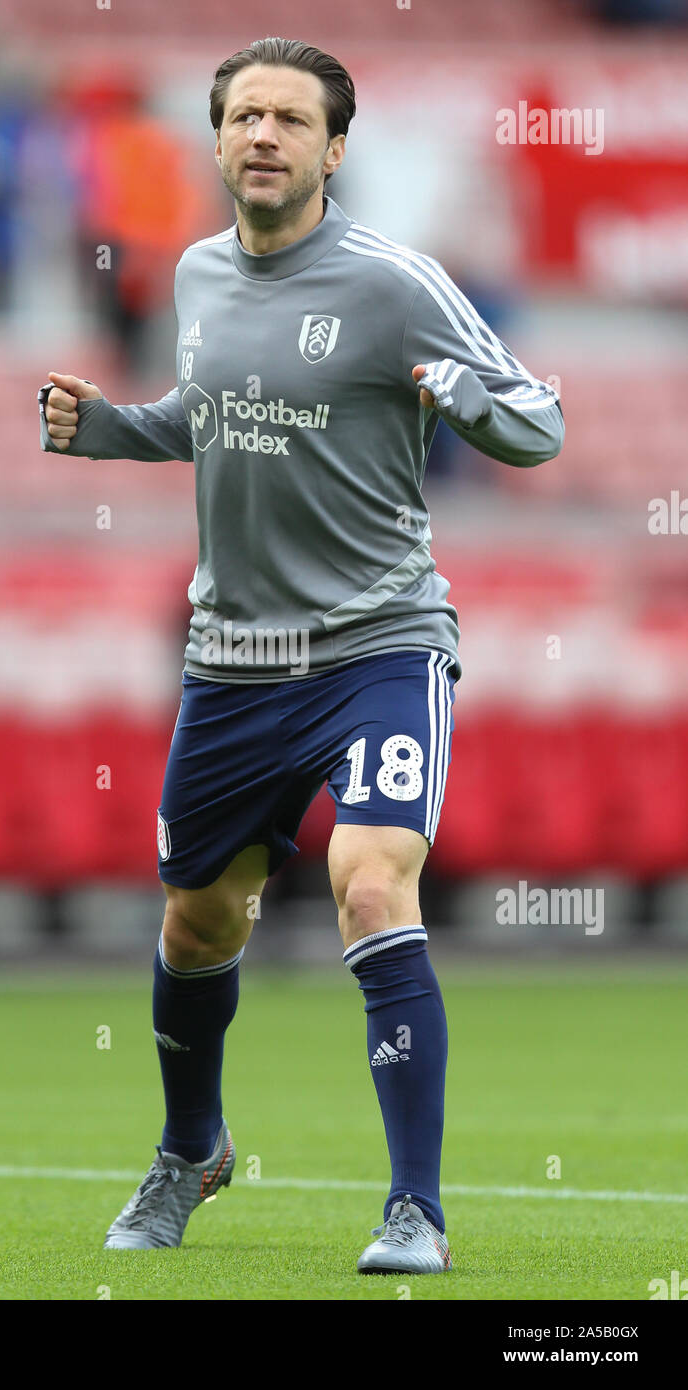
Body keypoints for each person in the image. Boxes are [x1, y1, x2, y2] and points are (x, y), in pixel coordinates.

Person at [37, 37, 564, 1276]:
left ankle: (414, 1210)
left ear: (333, 149)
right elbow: (213, 418)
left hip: (380, 641)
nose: (263, 135)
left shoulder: (395, 282)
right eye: (244, 116)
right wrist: (114, 432)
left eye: (290, 119)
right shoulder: (198, 275)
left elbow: (535, 417)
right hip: (233, 661)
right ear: (216, 142)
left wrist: (468, 401)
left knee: (372, 882)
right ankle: (191, 1150)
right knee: (197, 924)